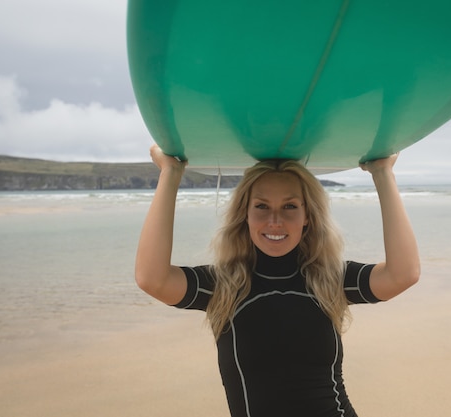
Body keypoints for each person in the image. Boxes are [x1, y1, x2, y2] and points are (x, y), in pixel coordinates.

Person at [135, 144, 420, 417]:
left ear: (307, 216)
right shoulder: (224, 285)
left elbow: (403, 273)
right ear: (244, 214)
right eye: (261, 206)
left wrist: (383, 173)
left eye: (289, 207)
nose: (275, 220)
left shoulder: (329, 278)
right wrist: (170, 172)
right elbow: (152, 277)